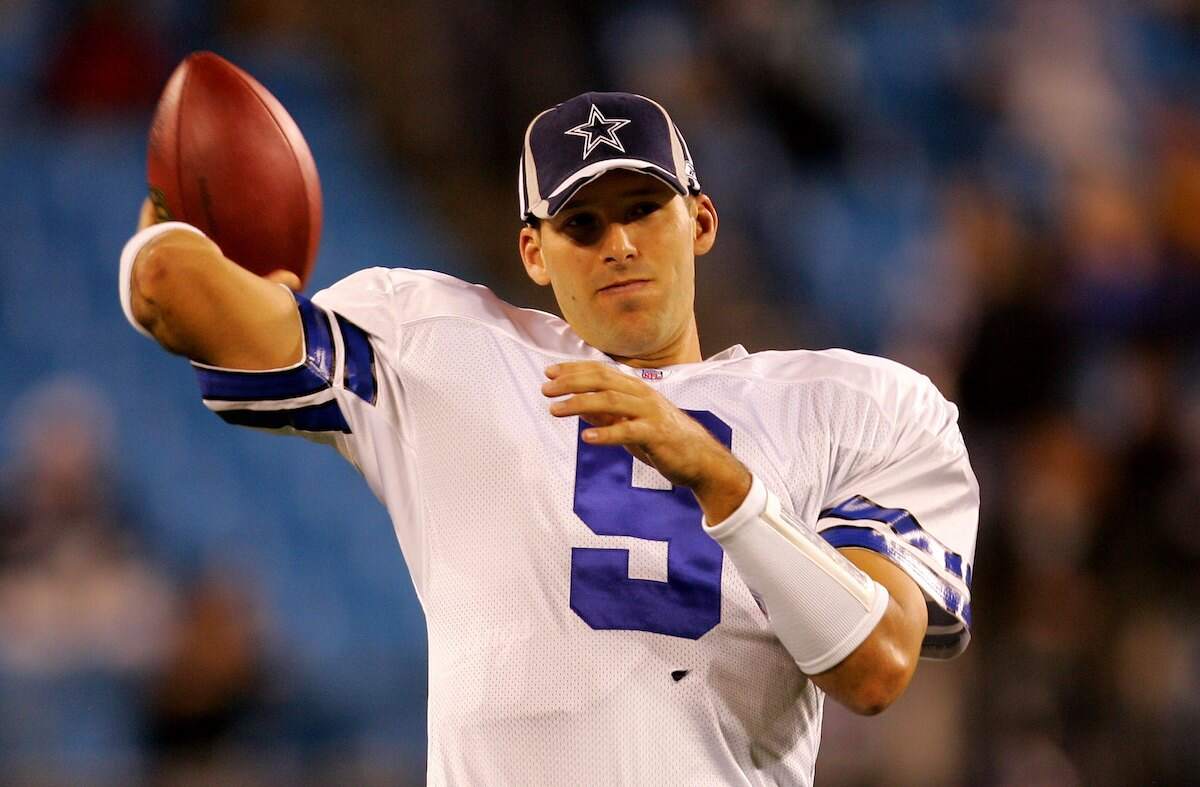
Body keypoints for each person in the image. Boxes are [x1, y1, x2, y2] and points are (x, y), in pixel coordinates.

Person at [118, 92, 978, 785]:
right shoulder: (440, 345)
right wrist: (172, 234)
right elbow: (172, 289)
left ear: (703, 222)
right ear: (533, 251)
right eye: (583, 225)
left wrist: (722, 479)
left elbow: (875, 667)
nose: (621, 244)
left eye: (644, 208)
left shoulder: (859, 404)